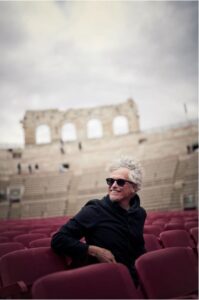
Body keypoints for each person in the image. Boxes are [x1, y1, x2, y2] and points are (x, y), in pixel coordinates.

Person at [51, 156, 146, 285]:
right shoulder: (94, 210)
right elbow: (59, 239)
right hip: (104, 280)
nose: (113, 186)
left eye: (120, 182)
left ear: (134, 187)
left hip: (133, 279)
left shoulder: (140, 213)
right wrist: (94, 251)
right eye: (110, 181)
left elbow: (138, 248)